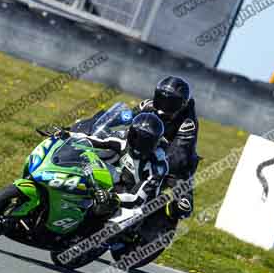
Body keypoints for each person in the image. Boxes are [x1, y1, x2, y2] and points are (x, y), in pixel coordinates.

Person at [68, 112, 169, 220]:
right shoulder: (123, 140)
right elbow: (95, 140)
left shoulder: (158, 166)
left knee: (108, 220)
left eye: (145, 142)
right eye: (136, 137)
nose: (138, 143)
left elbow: (137, 199)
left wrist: (112, 197)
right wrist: (68, 134)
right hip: (120, 185)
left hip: (139, 205)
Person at [134, 76, 200, 220]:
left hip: (170, 162)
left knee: (184, 205)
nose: (163, 107)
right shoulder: (147, 105)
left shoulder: (187, 123)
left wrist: (153, 154)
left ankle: (159, 220)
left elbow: (178, 156)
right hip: (138, 150)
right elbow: (123, 121)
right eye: (161, 99)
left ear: (182, 105)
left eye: (170, 104)